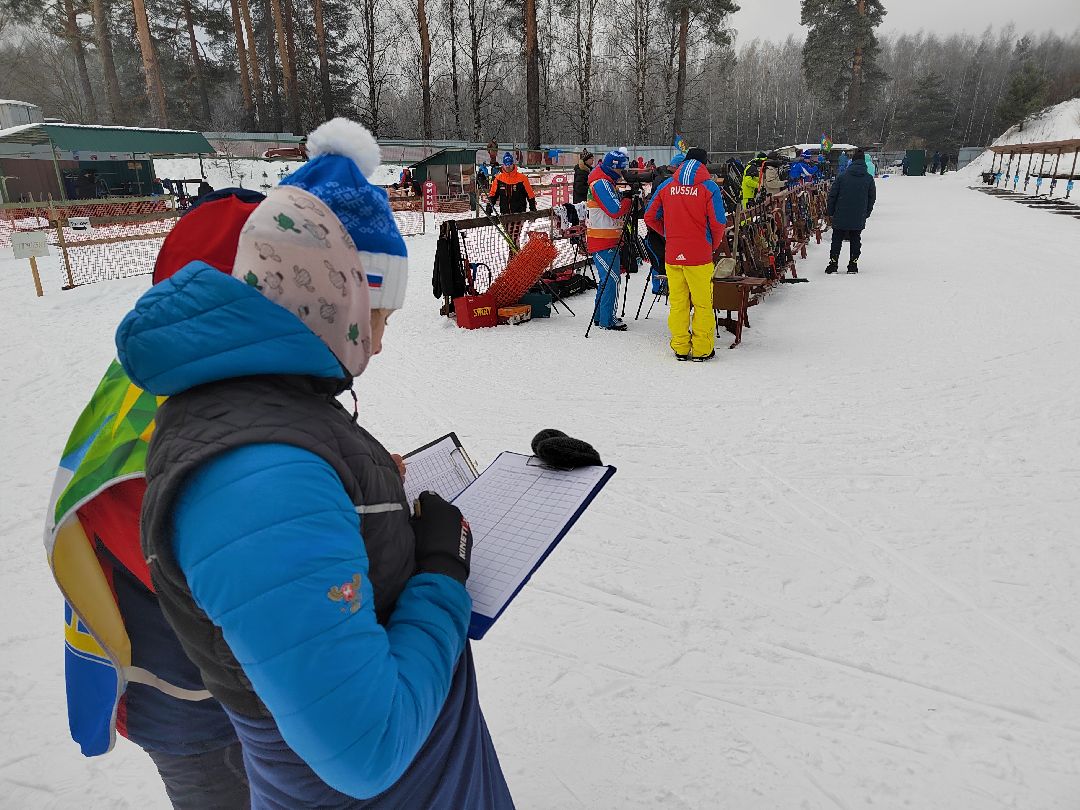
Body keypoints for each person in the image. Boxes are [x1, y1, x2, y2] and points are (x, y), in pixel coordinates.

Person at [114, 119, 514, 808]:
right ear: (328, 303)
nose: (380, 345)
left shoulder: (263, 414)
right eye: (376, 317)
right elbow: (367, 748)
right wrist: (443, 574)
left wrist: (362, 492)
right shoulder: (253, 480)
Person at [45, 189, 264, 810]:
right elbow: (235, 581)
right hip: (193, 706)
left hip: (190, 694)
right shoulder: (180, 423)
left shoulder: (152, 371)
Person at [645, 147, 726, 361]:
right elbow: (718, 223)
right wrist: (712, 245)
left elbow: (649, 216)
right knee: (702, 304)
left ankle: (680, 347)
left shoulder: (667, 185)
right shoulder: (709, 187)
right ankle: (702, 349)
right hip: (699, 256)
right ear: (704, 164)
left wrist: (668, 233)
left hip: (673, 254)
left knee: (678, 303)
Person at [586, 148, 633, 331]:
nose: (622, 173)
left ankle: (601, 316)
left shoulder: (604, 181)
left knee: (607, 279)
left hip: (605, 238)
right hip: (602, 240)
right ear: (614, 168)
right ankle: (607, 319)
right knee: (611, 279)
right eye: (621, 169)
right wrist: (628, 201)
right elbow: (615, 210)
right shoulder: (601, 183)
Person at [825, 147, 876, 274]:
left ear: (852, 161)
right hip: (858, 213)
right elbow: (871, 198)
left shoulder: (842, 177)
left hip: (841, 212)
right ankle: (853, 264)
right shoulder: (869, 178)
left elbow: (833, 195)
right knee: (855, 238)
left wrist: (830, 211)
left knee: (837, 238)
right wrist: (867, 212)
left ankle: (833, 263)